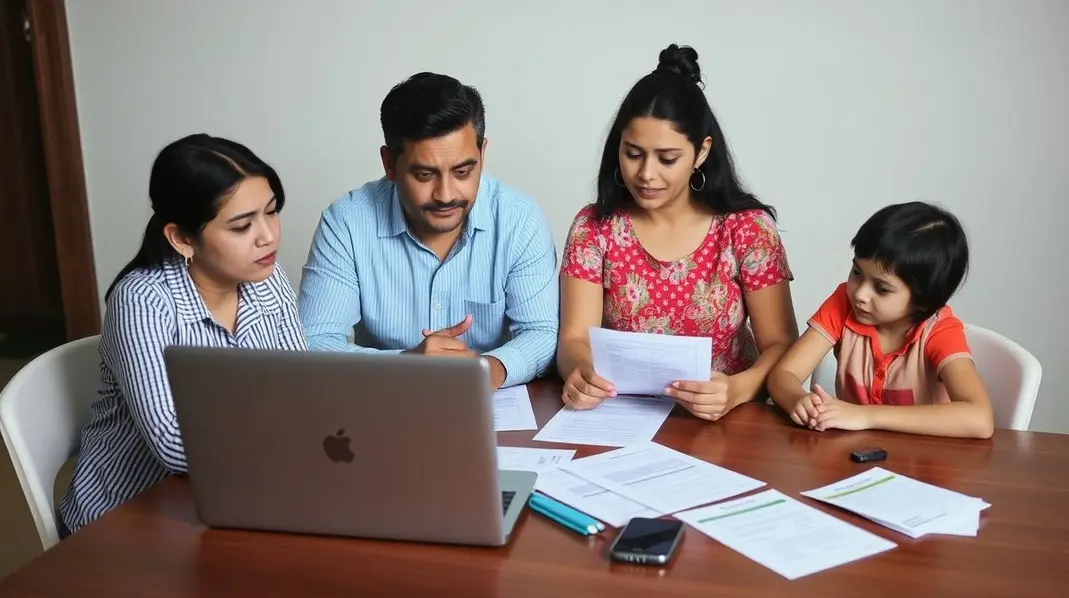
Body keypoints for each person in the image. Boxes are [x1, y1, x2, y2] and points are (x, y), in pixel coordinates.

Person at [58, 134, 306, 535]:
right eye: (242, 225)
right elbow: (174, 442)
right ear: (182, 238)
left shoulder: (267, 277)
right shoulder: (142, 301)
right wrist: (294, 441)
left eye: (272, 212)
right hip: (126, 519)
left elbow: (304, 388)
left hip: (230, 497)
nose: (268, 236)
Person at [558, 44, 799, 421]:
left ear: (701, 153)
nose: (647, 174)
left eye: (667, 159)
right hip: (622, 416)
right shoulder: (596, 227)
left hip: (729, 420)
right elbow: (574, 338)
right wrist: (580, 372)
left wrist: (738, 390)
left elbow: (782, 345)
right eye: (633, 153)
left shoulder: (747, 229)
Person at [298, 72, 558, 389]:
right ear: (389, 163)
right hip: (382, 409)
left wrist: (488, 369)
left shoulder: (519, 220)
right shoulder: (346, 224)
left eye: (463, 171)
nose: (446, 194)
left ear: (482, 154)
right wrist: (406, 365)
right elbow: (313, 342)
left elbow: (542, 333)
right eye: (424, 174)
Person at [767, 201, 994, 438]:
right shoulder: (843, 304)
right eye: (857, 273)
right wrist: (798, 400)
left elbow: (980, 418)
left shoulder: (938, 330)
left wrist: (865, 415)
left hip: (923, 463)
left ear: (924, 301)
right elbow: (783, 375)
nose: (860, 294)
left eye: (882, 288)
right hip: (855, 458)